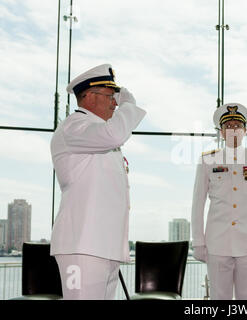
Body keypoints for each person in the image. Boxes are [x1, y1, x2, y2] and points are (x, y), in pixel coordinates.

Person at [50, 64, 146, 299]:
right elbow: (114, 134)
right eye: (110, 97)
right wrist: (128, 104)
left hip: (102, 246)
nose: (115, 103)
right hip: (83, 246)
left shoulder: (93, 133)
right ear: (90, 96)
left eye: (116, 98)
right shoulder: (74, 126)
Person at [191, 103, 247, 300]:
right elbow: (198, 204)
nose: (233, 130)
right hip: (217, 242)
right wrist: (198, 241)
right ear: (221, 132)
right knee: (219, 298)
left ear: (245, 131)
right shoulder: (208, 160)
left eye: (237, 126)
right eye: (228, 126)